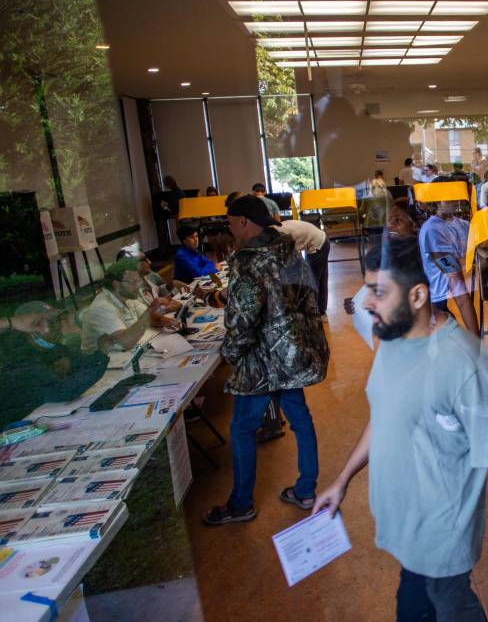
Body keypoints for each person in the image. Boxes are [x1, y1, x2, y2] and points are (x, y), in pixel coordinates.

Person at [313, 236, 488, 618]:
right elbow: (384, 414)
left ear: (418, 296)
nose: (367, 303)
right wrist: (342, 480)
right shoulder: (392, 339)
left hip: (442, 533)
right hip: (407, 524)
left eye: (378, 292)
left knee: (443, 605)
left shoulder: (467, 364)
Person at [203, 195, 329, 525]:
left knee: (243, 428)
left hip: (260, 361)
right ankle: (306, 491)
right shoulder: (289, 249)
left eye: (231, 223)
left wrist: (230, 352)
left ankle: (241, 503)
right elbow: (308, 296)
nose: (230, 230)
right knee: (301, 421)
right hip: (292, 354)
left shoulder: (248, 260)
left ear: (243, 221)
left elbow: (243, 316)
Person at [0, 301, 108, 425]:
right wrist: (102, 354)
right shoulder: (17, 359)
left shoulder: (52, 349)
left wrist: (97, 356)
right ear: (30, 329)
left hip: (44, 418)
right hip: (17, 427)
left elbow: (82, 361)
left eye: (57, 321)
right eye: (51, 322)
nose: (58, 326)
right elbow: (62, 393)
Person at [81, 259, 179, 353]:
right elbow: (126, 342)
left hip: (124, 355)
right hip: (104, 364)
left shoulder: (126, 296)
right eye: (134, 282)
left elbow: (149, 318)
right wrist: (151, 309)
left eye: (139, 281)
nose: (139, 286)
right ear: (116, 284)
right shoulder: (101, 308)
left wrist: (166, 321)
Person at [418, 199, 479, 336]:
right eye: (448, 197)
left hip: (463, 294)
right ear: (437, 201)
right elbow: (454, 275)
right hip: (441, 300)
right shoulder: (431, 230)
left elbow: (478, 257)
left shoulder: (465, 225)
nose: (454, 200)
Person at [277, 218, 331, 316]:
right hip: (321, 240)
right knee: (320, 278)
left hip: (317, 244)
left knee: (312, 280)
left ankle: (314, 313)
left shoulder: (276, 235)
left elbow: (289, 258)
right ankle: (321, 311)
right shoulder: (278, 228)